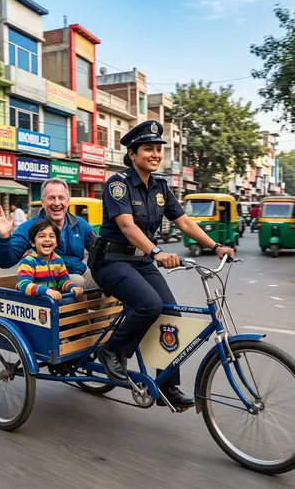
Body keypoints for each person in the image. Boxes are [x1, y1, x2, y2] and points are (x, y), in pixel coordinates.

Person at [90, 120, 234, 408]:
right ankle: (112, 351)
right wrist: (156, 251)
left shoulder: (160, 186)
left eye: (158, 149)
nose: (155, 154)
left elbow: (183, 221)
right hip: (112, 261)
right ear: (133, 154)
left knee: (171, 315)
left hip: (140, 262)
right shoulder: (117, 184)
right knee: (149, 305)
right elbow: (128, 227)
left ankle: (167, 385)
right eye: (148, 149)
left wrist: (215, 246)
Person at [0, 178, 97, 289]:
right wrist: (4, 237)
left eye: (61, 198)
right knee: (77, 281)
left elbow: (99, 250)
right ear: (43, 202)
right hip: (51, 279)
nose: (57, 203)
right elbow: (5, 262)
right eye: (51, 198)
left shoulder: (80, 224)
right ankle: (81, 307)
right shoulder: (30, 227)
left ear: (67, 201)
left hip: (81, 272)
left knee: (108, 278)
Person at [16, 218, 83, 304]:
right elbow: (24, 285)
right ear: (33, 242)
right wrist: (47, 291)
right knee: (67, 301)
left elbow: (63, 280)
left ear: (56, 243)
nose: (47, 239)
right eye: (42, 236)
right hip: (33, 302)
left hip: (51, 299)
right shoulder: (28, 261)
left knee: (70, 301)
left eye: (51, 236)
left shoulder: (58, 260)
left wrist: (72, 287)